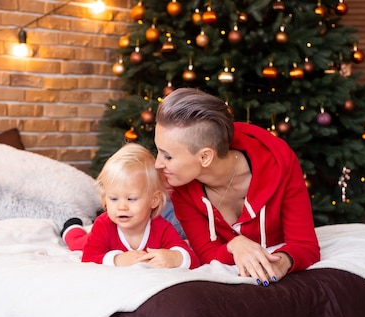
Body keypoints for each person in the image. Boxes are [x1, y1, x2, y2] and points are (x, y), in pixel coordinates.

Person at [154, 88, 320, 285]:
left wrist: (282, 262)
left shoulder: (280, 163)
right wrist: (235, 245)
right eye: (158, 151)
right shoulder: (179, 182)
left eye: (168, 156)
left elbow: (305, 245)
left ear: (205, 157)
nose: (157, 164)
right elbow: (205, 252)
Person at [62, 143, 200, 269]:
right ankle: (71, 228)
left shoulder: (161, 228)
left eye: (131, 199)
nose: (122, 207)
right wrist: (117, 259)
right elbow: (89, 258)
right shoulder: (104, 225)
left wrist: (176, 257)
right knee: (77, 244)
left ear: (154, 200)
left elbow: (193, 259)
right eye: (114, 198)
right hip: (96, 234)